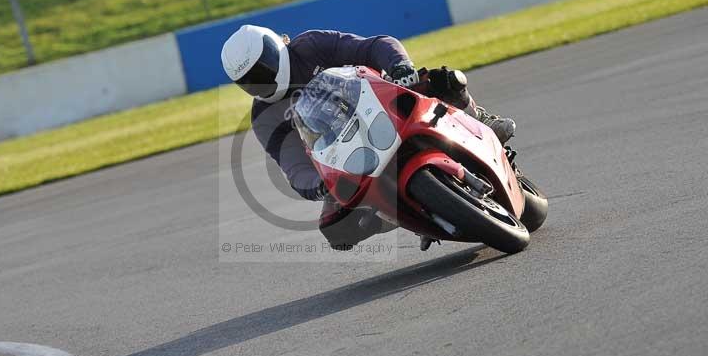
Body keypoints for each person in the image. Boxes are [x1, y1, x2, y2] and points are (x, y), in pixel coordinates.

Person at [221, 25, 516, 250]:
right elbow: (292, 164)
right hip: (346, 157)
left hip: (383, 105)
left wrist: (400, 66)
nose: (261, 80)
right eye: (249, 81)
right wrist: (316, 185)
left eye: (263, 67)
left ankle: (480, 120)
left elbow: (373, 46)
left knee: (445, 78)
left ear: (277, 46)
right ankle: (399, 214)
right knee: (336, 231)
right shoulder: (264, 118)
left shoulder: (311, 46)